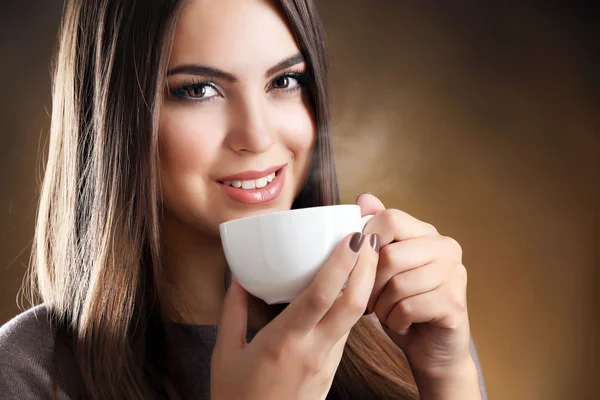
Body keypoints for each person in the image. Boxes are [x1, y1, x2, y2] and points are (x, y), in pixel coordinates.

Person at [0, 0, 487, 399]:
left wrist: (449, 374)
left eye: (285, 81)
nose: (256, 136)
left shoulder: (394, 331)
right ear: (114, 118)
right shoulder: (26, 374)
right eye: (198, 89)